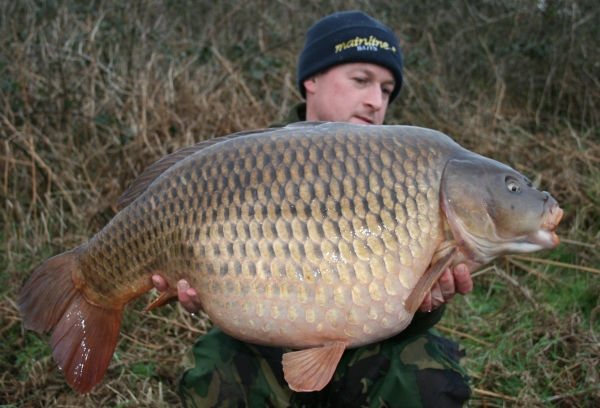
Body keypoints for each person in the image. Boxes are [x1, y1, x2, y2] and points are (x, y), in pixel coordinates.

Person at [152, 11, 473, 407]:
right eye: (361, 80)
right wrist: (210, 286)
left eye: (387, 90)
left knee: (432, 379)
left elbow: (386, 300)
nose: (375, 100)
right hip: (263, 340)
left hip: (372, 345)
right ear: (312, 79)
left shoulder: (406, 177)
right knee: (213, 370)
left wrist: (429, 303)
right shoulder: (244, 164)